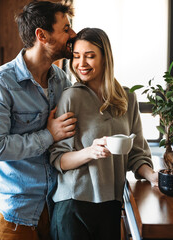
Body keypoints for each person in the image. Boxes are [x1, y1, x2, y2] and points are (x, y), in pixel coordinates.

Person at [0, 1, 77, 240]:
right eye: (66, 29)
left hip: (54, 206)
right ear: (42, 35)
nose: (73, 35)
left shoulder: (62, 81)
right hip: (15, 211)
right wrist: (49, 135)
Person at [49, 28, 158, 240]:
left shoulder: (128, 98)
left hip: (112, 204)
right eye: (76, 56)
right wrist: (91, 152)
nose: (81, 63)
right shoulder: (70, 97)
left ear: (105, 58)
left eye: (90, 56)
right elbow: (58, 159)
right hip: (73, 204)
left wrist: (152, 176)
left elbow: (137, 154)